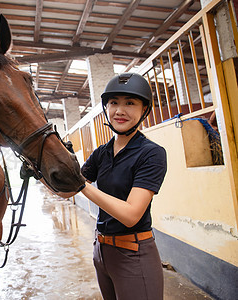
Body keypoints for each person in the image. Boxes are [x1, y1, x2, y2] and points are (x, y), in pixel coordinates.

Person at [79, 73, 167, 299]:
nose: (119, 110)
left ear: (144, 109)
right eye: (114, 102)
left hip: (133, 253)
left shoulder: (152, 153)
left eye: (130, 103)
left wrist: (81, 186)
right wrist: (42, 169)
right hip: (101, 251)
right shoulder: (102, 152)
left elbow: (131, 215)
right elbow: (63, 189)